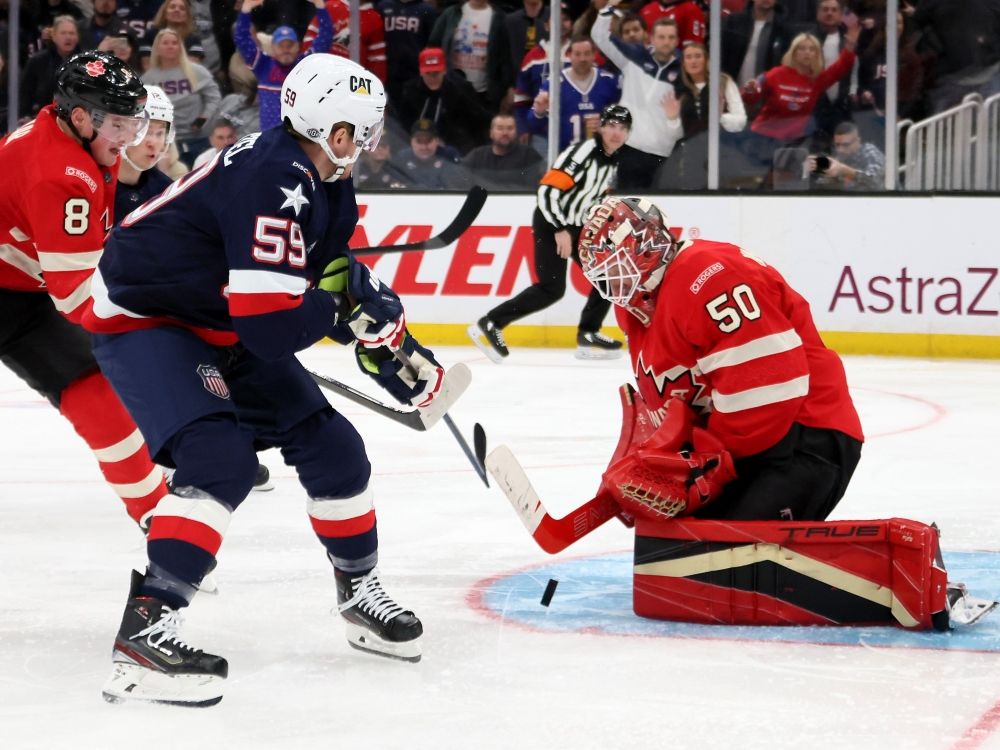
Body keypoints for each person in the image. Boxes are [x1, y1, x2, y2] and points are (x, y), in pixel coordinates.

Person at [86, 53, 443, 706]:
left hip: (213, 316)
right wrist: (340, 314)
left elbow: (327, 268)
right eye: (363, 130)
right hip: (150, 321)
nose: (369, 142)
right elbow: (270, 330)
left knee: (335, 449)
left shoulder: (322, 177)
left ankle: (359, 592)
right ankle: (147, 631)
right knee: (218, 461)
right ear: (336, 133)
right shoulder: (275, 175)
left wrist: (384, 336)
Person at [575, 195, 996, 630]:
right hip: (749, 448)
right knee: (671, 556)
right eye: (603, 272)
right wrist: (661, 468)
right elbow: (675, 410)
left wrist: (706, 470)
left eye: (617, 265)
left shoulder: (706, 275)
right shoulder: (638, 314)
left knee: (721, 566)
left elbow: (771, 390)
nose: (612, 283)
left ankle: (909, 572)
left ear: (648, 246)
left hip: (804, 435)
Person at [0, 51, 169, 529]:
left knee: (94, 392)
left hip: (20, 292)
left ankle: (159, 519)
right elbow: (77, 301)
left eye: (132, 124)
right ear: (80, 116)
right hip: (22, 289)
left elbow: (93, 261)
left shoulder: (82, 145)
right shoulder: (62, 173)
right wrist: (159, 316)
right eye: (119, 124)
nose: (128, 138)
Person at [468, 104, 631, 364]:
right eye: (611, 125)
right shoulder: (583, 154)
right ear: (600, 127)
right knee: (551, 288)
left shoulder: (613, 160)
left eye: (622, 128)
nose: (616, 133)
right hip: (551, 221)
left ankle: (588, 333)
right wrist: (560, 229)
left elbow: (595, 196)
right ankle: (491, 322)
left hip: (577, 227)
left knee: (608, 276)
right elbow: (547, 192)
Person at [592, 4, 682, 189]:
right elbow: (600, 36)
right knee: (628, 210)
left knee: (659, 213)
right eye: (661, 37)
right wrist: (607, 9)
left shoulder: (683, 70)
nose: (666, 42)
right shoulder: (633, 58)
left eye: (671, 37)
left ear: (677, 40)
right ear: (651, 38)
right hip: (631, 149)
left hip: (664, 153)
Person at [234, 0, 332, 130]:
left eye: (290, 45)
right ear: (273, 47)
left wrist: (320, 6)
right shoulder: (262, 65)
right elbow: (242, 38)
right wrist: (246, 10)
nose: (286, 50)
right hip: (270, 140)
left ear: (298, 46)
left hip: (299, 139)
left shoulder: (306, 65)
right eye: (281, 46)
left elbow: (325, 37)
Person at [527, 35, 620, 152]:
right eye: (577, 54)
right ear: (569, 55)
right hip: (565, 156)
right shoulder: (554, 83)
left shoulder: (608, 81)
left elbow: (623, 119)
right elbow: (533, 124)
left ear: (594, 55)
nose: (582, 59)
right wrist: (539, 112)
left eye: (587, 53)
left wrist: (606, 126)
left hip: (602, 154)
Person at [141, 27, 220, 166]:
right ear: (157, 48)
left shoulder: (197, 71)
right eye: (165, 43)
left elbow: (214, 97)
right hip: (167, 143)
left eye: (174, 42)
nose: (170, 46)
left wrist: (204, 118)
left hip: (198, 139)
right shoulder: (148, 78)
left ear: (181, 47)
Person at [462, 112, 543, 190]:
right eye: (500, 128)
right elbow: (462, 180)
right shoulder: (477, 155)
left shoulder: (528, 155)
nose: (505, 133)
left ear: (516, 132)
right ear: (491, 133)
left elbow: (533, 189)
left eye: (510, 128)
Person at [806, 120, 885, 190]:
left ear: (858, 141)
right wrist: (823, 173)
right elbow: (822, 188)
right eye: (837, 145)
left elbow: (876, 181)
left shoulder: (869, 151)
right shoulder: (838, 157)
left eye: (846, 145)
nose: (840, 150)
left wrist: (844, 171)